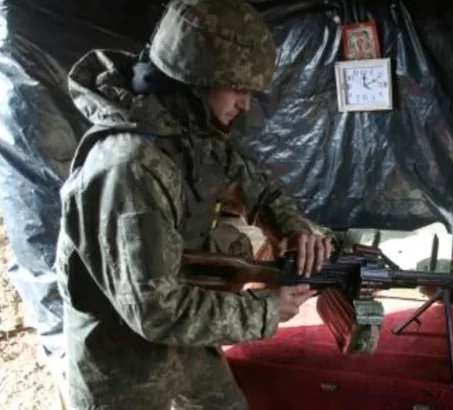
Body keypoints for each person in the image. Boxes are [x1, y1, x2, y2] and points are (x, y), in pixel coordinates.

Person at [54, 0, 333, 408]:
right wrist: (267, 310)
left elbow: (254, 184)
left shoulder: (189, 128)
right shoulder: (128, 167)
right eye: (238, 89)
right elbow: (156, 310)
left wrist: (291, 228)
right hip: (124, 366)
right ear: (194, 79)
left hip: (188, 333)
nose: (245, 104)